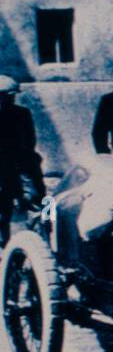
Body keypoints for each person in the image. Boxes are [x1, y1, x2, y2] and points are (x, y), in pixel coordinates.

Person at [0, 75, 45, 245]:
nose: (9, 100)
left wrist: (27, 179)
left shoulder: (22, 114)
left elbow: (28, 144)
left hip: (22, 168)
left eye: (11, 97)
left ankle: (42, 241)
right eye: (6, 96)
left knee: (39, 203)